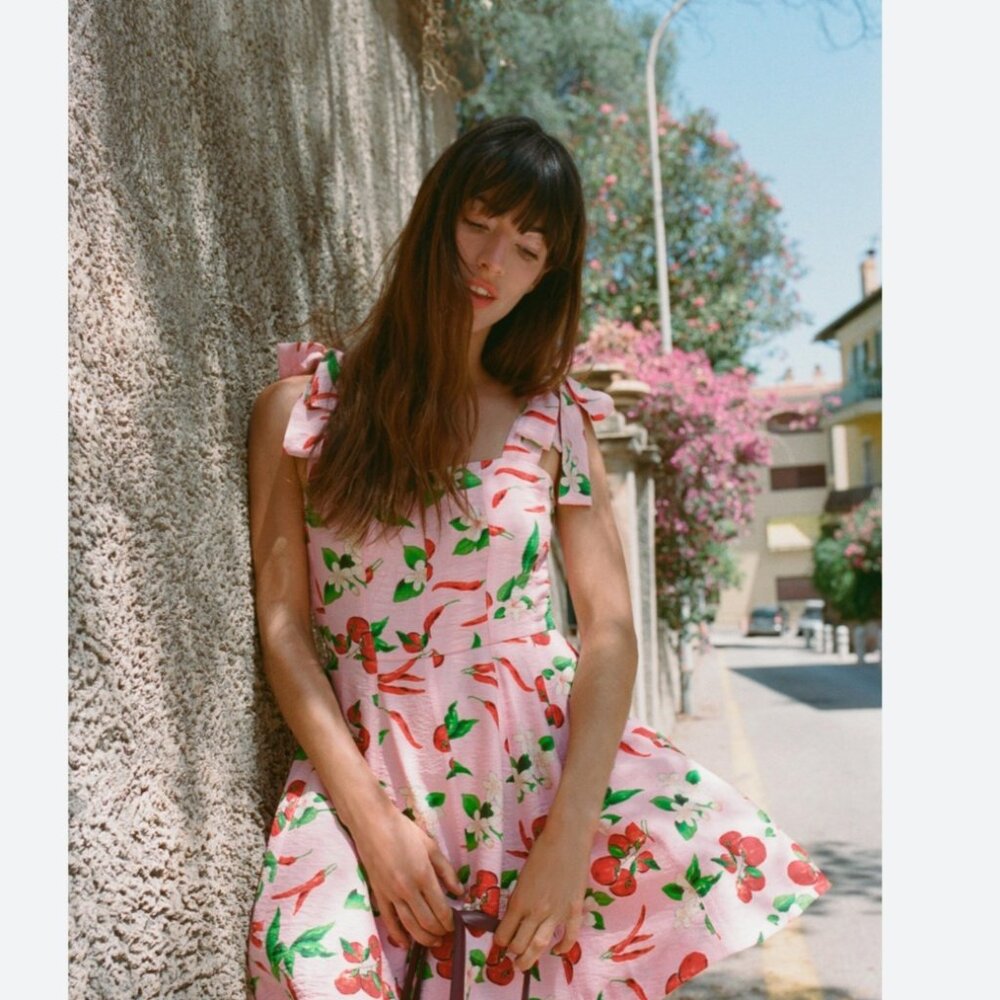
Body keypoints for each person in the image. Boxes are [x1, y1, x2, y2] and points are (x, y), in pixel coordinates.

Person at [245, 116, 828, 999]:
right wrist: (369, 820)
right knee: (318, 963)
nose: (491, 262)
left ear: (546, 276)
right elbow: (284, 627)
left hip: (537, 781)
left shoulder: (559, 421)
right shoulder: (306, 408)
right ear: (435, 215)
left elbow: (610, 631)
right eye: (479, 223)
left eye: (527, 247)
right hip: (367, 768)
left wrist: (568, 841)